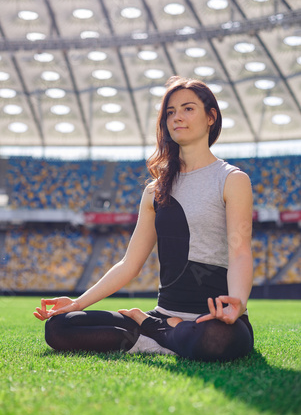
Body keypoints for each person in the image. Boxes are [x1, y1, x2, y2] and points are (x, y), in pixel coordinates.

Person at [34, 76, 254, 361]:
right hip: (165, 313)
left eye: (188, 109)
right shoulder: (155, 190)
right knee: (59, 328)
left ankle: (154, 331)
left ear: (211, 116)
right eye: (170, 112)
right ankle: (165, 331)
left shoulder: (232, 179)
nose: (177, 117)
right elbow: (129, 264)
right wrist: (77, 303)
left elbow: (240, 251)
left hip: (213, 319)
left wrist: (236, 303)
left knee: (215, 339)